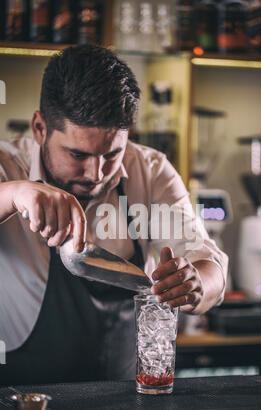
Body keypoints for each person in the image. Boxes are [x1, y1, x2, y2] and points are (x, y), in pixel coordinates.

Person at [0, 45, 228, 386]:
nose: (95, 173)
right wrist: (14, 193)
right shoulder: (8, 165)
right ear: (39, 128)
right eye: (78, 154)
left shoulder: (150, 171)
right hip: (23, 398)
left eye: (112, 154)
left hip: (127, 397)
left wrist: (196, 284)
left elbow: (210, 265)